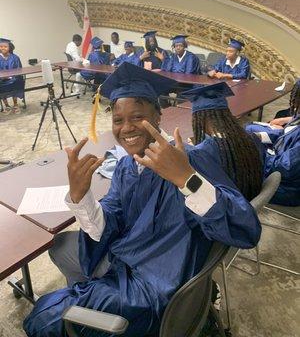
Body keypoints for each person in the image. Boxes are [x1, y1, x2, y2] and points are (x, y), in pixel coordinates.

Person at [24, 63, 261, 337]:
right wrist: (80, 197)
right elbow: (109, 222)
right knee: (62, 245)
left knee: (43, 317)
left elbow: (246, 230)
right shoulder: (126, 167)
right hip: (129, 262)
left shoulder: (189, 160)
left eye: (137, 117)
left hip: (153, 288)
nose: (126, 128)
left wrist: (187, 179)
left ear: (159, 116)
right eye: (117, 120)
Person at [181, 82, 263, 201]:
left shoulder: (203, 152)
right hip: (247, 199)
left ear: (199, 119)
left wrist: (194, 149)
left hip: (227, 207)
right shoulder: (249, 138)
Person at [245, 80, 300, 206]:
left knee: (236, 170)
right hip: (281, 159)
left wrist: (257, 148)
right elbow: (285, 135)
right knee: (249, 129)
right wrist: (260, 136)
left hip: (284, 187)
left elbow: (282, 168)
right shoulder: (298, 118)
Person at [0, 38, 24, 114]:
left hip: (13, 79)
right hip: (1, 80)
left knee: (17, 82)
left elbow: (19, 69)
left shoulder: (15, 58)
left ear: (10, 48)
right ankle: (7, 106)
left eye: (5, 46)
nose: (3, 48)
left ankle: (15, 104)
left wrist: (12, 76)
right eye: (1, 46)